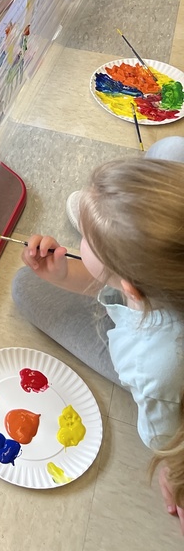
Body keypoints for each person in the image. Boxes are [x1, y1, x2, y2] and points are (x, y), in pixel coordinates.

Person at [12, 142, 184, 535]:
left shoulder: (152, 366)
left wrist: (176, 479)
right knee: (173, 147)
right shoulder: (155, 287)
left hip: (160, 364)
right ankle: (112, 225)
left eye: (86, 240)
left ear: (131, 290)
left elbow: (166, 439)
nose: (77, 242)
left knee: (26, 288)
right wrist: (64, 273)